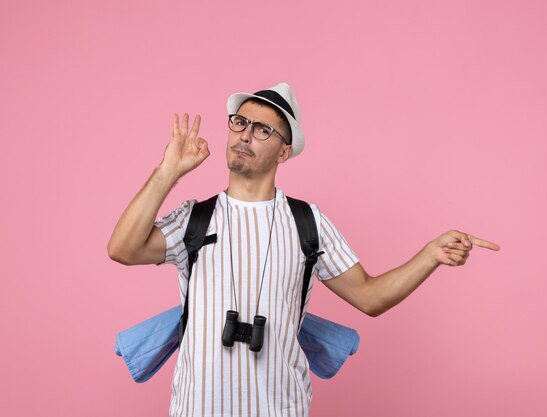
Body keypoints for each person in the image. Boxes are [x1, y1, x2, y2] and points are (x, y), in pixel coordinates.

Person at [107, 82, 500, 417]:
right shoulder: (193, 218)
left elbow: (370, 296)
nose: (244, 134)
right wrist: (168, 171)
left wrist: (430, 255)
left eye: (262, 130)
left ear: (284, 151)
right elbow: (122, 249)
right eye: (240, 123)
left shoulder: (307, 223)